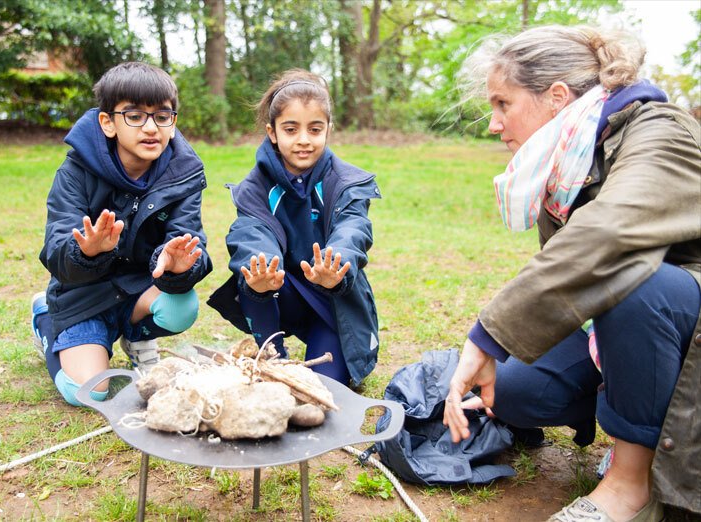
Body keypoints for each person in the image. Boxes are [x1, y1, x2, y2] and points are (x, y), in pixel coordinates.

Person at [442, 26, 700, 521]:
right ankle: (637, 419)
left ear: (557, 97)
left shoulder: (661, 130)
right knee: (512, 393)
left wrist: (489, 336)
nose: (495, 125)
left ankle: (631, 484)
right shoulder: (568, 163)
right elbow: (571, 280)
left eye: (503, 104)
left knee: (635, 284)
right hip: (628, 327)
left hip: (676, 313)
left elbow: (606, 237)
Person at [31, 62, 212, 407]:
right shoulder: (74, 172)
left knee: (181, 308)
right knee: (87, 392)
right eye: (134, 115)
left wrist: (176, 264)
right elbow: (55, 249)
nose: (150, 128)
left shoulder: (184, 173)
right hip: (83, 296)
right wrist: (87, 251)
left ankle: (136, 337)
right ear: (107, 123)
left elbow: (192, 242)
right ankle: (46, 320)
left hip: (138, 290)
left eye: (162, 116)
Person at [207, 69, 381, 386]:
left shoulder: (347, 182)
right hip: (281, 294)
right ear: (272, 132)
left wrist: (336, 263)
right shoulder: (255, 187)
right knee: (252, 276)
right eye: (291, 129)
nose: (303, 139)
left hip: (333, 299)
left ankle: (324, 349)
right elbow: (251, 232)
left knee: (324, 388)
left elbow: (354, 229)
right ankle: (272, 358)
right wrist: (260, 270)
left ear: (328, 129)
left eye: (315, 129)